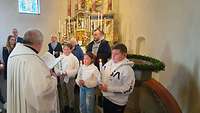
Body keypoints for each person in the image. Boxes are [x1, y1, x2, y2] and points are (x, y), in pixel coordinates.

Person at [7, 29, 58, 113]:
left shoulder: (13, 55)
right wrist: (53, 78)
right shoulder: (33, 60)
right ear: (39, 43)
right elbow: (42, 92)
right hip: (28, 108)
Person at [99, 43, 135, 113]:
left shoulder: (127, 70)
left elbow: (128, 89)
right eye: (112, 53)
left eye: (116, 54)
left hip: (117, 102)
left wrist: (108, 89)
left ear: (124, 55)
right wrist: (99, 82)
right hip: (106, 97)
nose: (113, 56)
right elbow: (102, 74)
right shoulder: (109, 63)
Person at [55, 43, 79, 113]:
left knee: (70, 92)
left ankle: (71, 106)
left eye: (67, 49)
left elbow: (76, 69)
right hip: (62, 77)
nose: (65, 51)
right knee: (63, 91)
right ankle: (65, 105)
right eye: (64, 49)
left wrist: (68, 72)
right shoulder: (60, 57)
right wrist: (58, 72)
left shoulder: (74, 58)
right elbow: (56, 66)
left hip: (70, 77)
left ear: (70, 50)